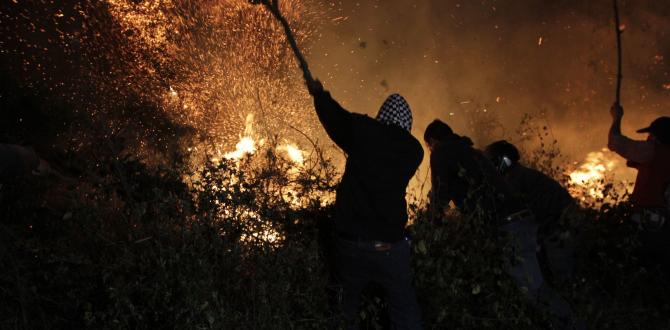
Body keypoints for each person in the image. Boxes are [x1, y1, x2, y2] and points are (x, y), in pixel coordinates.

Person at [425, 120, 580, 329]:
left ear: (433, 141)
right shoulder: (472, 152)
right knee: (525, 286)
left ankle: (571, 324)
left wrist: (428, 228)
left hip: (509, 227)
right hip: (520, 222)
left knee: (533, 289)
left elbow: (439, 197)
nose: (430, 151)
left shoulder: (442, 152)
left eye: (429, 146)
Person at [307, 79, 424, 329]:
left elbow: (336, 120)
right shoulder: (414, 151)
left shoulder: (365, 132)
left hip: (351, 243)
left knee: (343, 308)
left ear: (382, 116)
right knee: (404, 308)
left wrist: (320, 94)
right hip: (391, 245)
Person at [484, 140, 578, 285]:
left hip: (560, 225)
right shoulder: (520, 174)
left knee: (562, 273)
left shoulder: (515, 179)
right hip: (559, 222)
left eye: (492, 162)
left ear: (503, 161)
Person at [608, 103, 670, 272]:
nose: (648, 138)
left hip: (649, 224)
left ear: (657, 137)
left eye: (650, 135)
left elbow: (615, 142)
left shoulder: (652, 151)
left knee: (638, 264)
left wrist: (617, 118)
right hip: (665, 227)